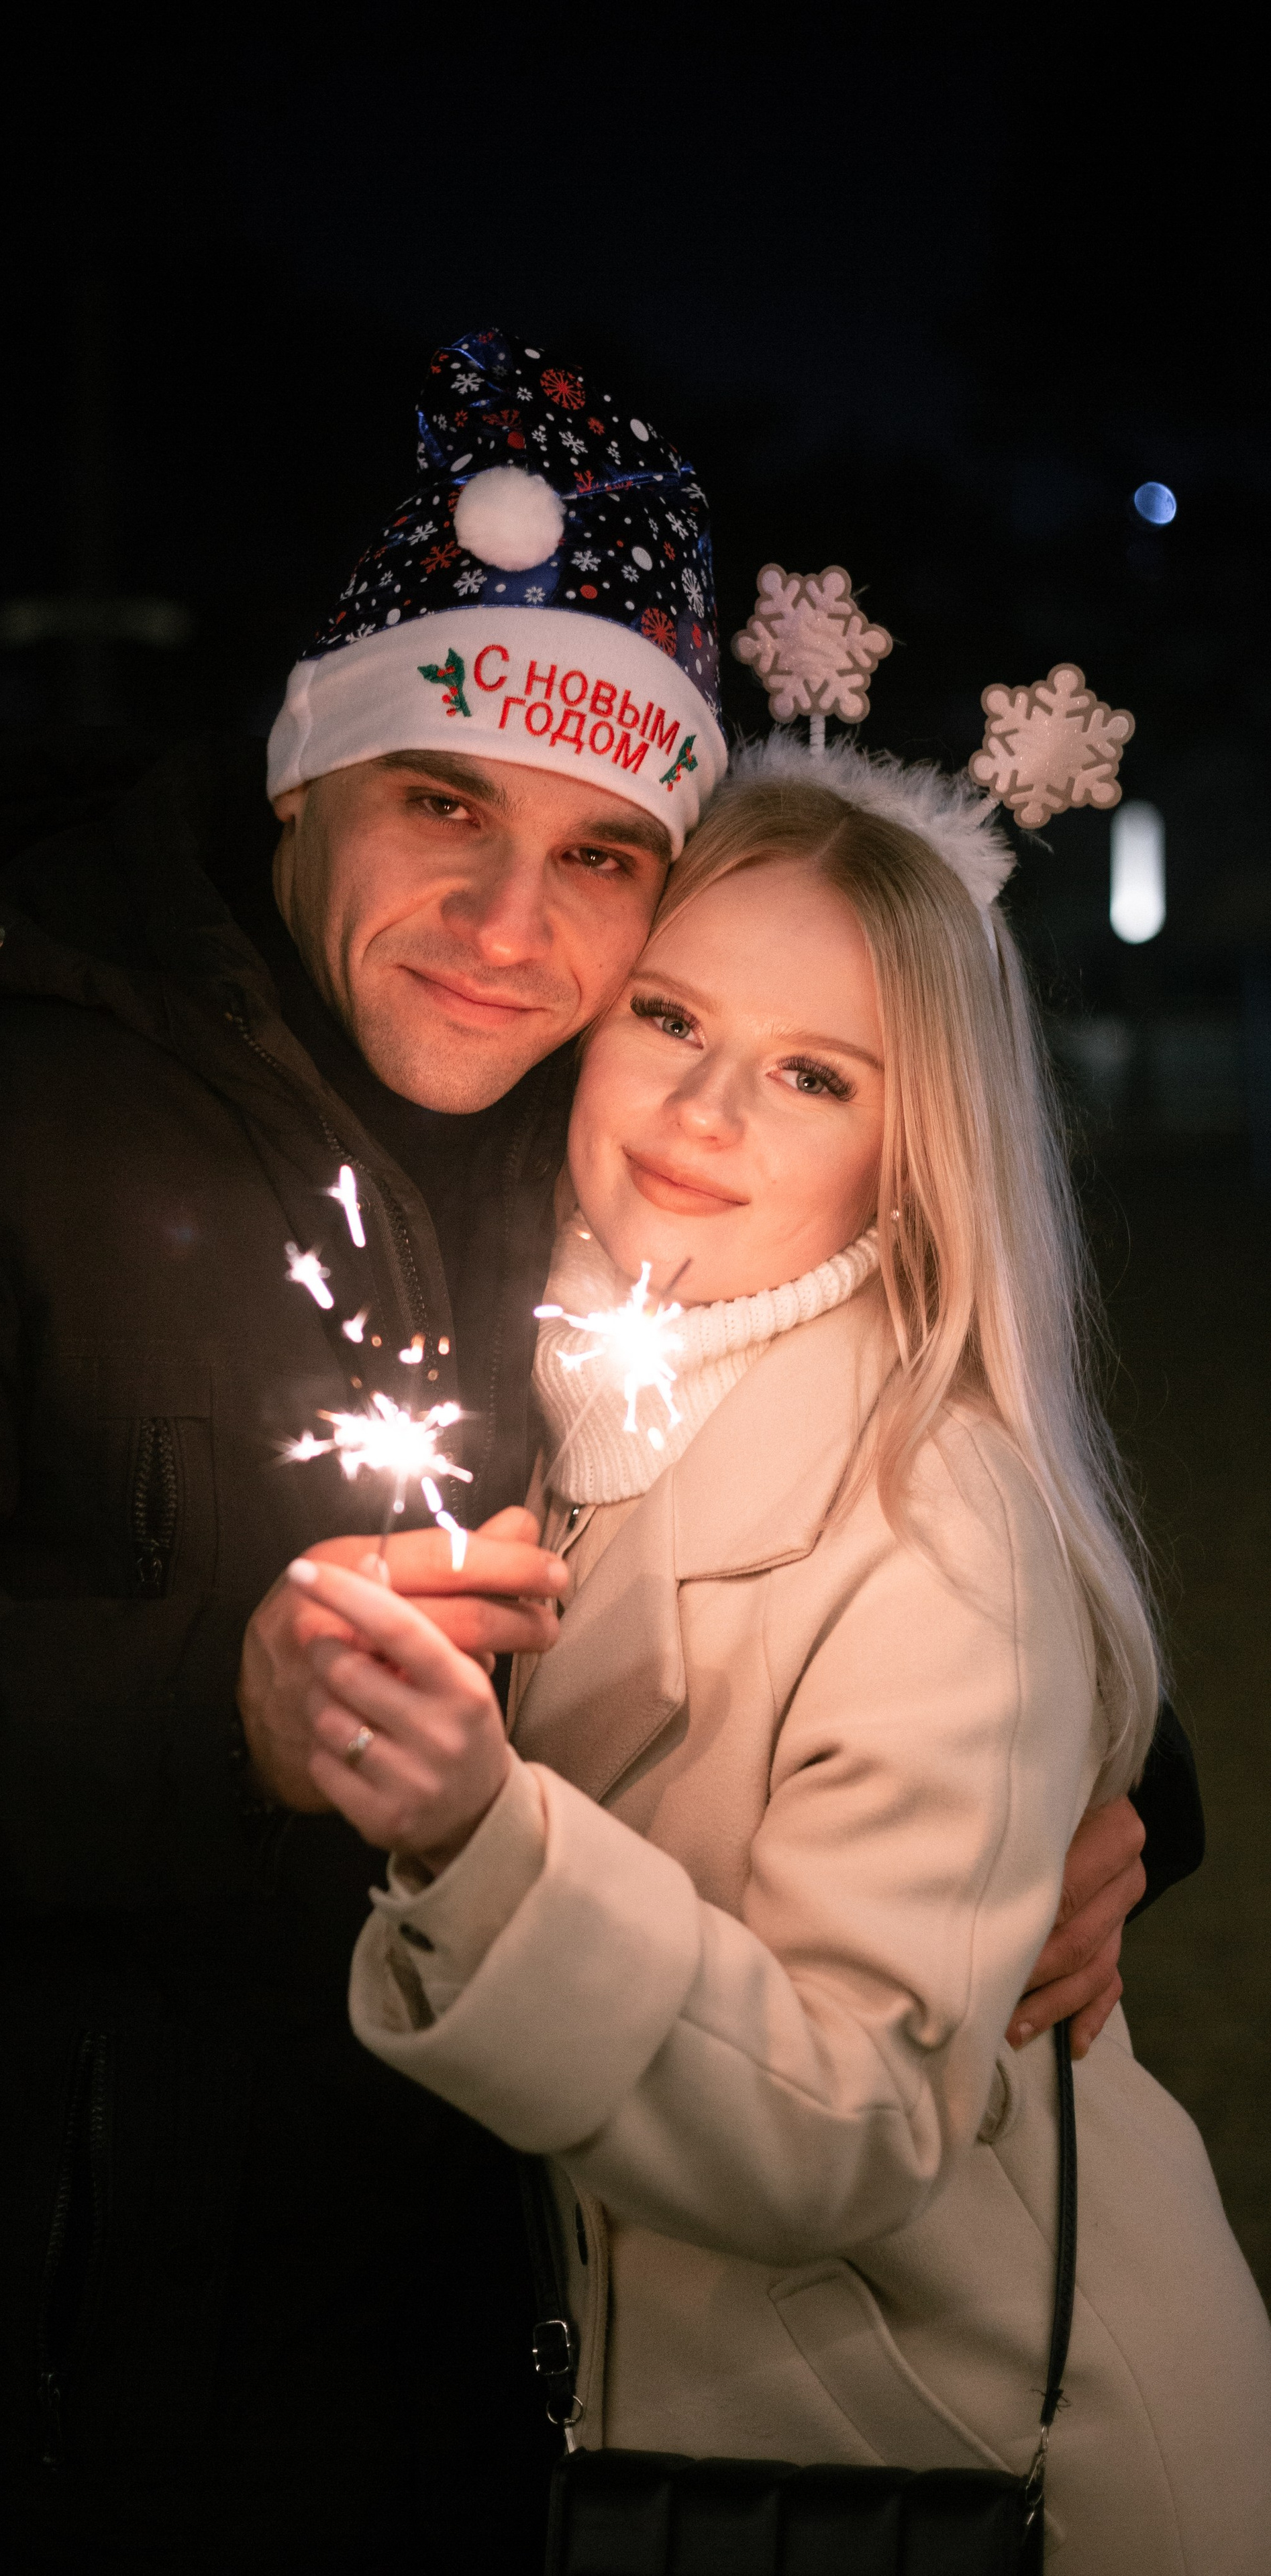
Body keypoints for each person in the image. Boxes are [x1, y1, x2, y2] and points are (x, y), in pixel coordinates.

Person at [0, 333, 1192, 2573]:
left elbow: (885, 1484)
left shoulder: (599, 1126)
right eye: (444, 803)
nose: (513, 934)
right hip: (23, 2418)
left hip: (476, 2398)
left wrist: (1106, 1813)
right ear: (305, 774)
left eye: (602, 856)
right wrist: (213, 1712)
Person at [288, 738, 1271, 2571]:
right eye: (672, 1017)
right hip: (747, 2450)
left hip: (987, 2468)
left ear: (920, 1152)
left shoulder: (929, 1518)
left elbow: (853, 2132)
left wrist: (474, 1841)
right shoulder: (566, 1400)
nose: (707, 1110)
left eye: (815, 1074)